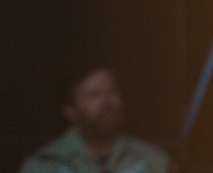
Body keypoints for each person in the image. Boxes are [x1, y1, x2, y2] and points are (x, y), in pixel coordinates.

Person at [18, 64, 170, 173]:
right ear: (70, 111)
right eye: (94, 95)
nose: (107, 102)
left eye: (112, 92)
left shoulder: (153, 161)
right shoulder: (44, 165)